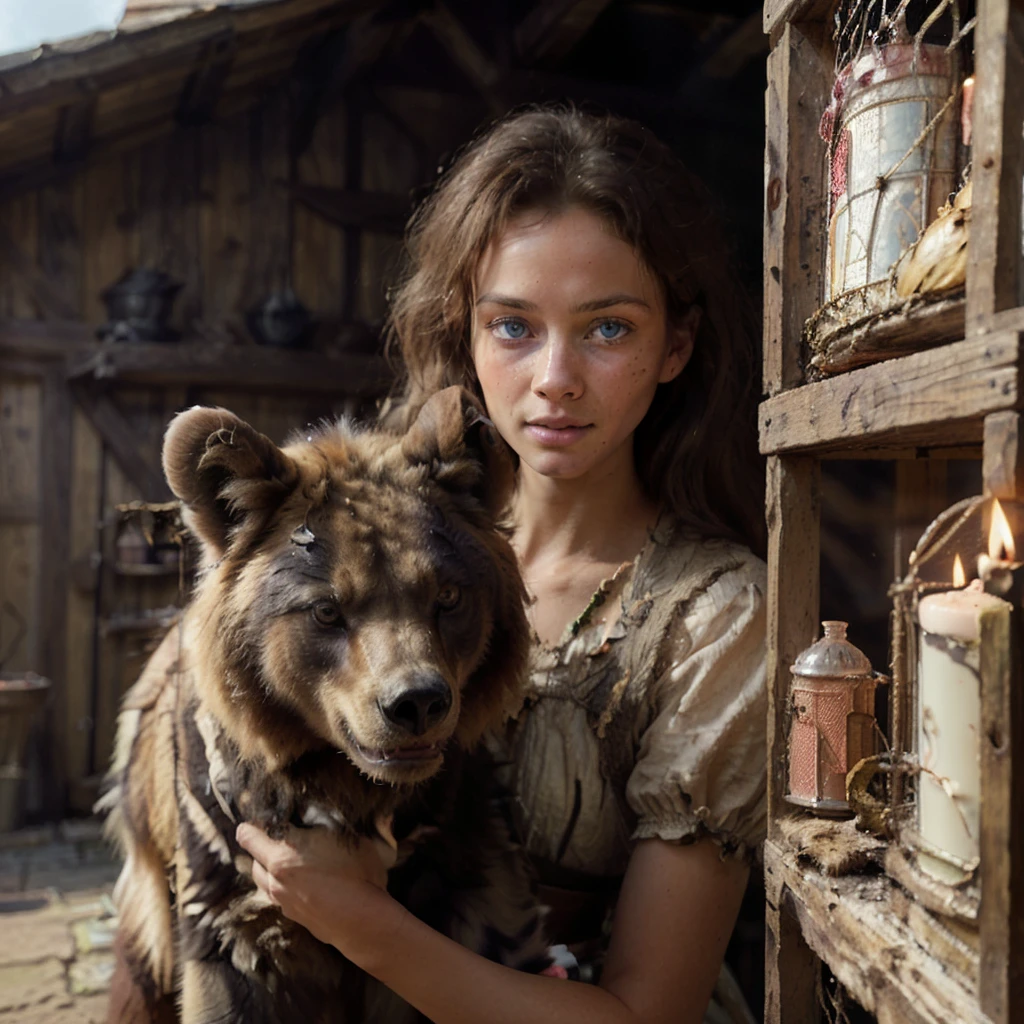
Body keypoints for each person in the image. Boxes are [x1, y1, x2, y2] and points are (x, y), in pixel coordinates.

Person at [237, 105, 767, 1024]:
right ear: (466, 332)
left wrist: (360, 919)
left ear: (674, 346)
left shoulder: (713, 616)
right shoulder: (367, 550)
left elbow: (649, 1014)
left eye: (608, 330)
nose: (555, 376)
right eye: (515, 326)